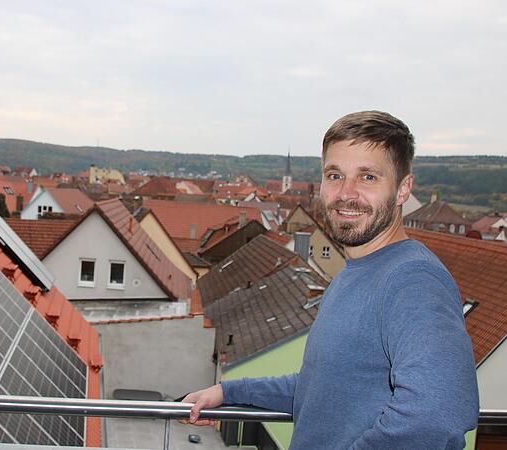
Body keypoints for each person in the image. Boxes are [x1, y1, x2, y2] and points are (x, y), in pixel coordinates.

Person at [183, 111, 479, 449]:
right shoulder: (352, 276)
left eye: (368, 177)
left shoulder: (413, 280)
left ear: (403, 189)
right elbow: (322, 389)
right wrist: (229, 392)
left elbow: (438, 415)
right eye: (335, 175)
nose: (346, 193)